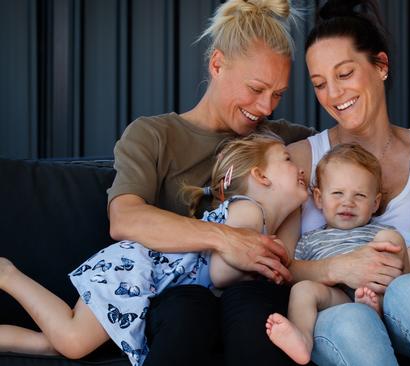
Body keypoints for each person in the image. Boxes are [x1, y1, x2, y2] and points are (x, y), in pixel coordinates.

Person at [22, 1, 311, 365]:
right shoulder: (154, 135)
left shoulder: (280, 143)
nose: (267, 106)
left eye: (278, 94)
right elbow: (125, 218)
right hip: (174, 303)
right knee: (188, 312)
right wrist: (226, 238)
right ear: (217, 64)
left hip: (249, 307)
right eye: (256, 88)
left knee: (250, 309)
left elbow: (352, 154)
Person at [281, 0, 410, 364]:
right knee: (353, 320)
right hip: (339, 313)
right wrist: (339, 268)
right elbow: (279, 267)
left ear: (381, 66)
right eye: (319, 84)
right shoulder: (301, 159)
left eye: (344, 74)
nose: (333, 94)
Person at [0, 132, 309, 365]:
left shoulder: (261, 218)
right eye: (287, 158)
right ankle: (7, 273)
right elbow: (220, 271)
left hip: (144, 275)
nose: (298, 166)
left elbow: (285, 260)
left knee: (57, 345)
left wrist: (290, 223)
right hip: (137, 271)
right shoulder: (249, 210)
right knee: (72, 340)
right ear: (260, 176)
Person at [266, 143, 408, 365]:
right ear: (319, 198)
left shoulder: (379, 232)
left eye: (360, 195)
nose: (347, 202)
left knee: (391, 242)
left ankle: (376, 307)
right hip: (335, 299)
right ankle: (302, 338)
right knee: (303, 289)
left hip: (376, 291)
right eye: (338, 193)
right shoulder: (310, 240)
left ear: (375, 203)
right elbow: (294, 272)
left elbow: (396, 266)